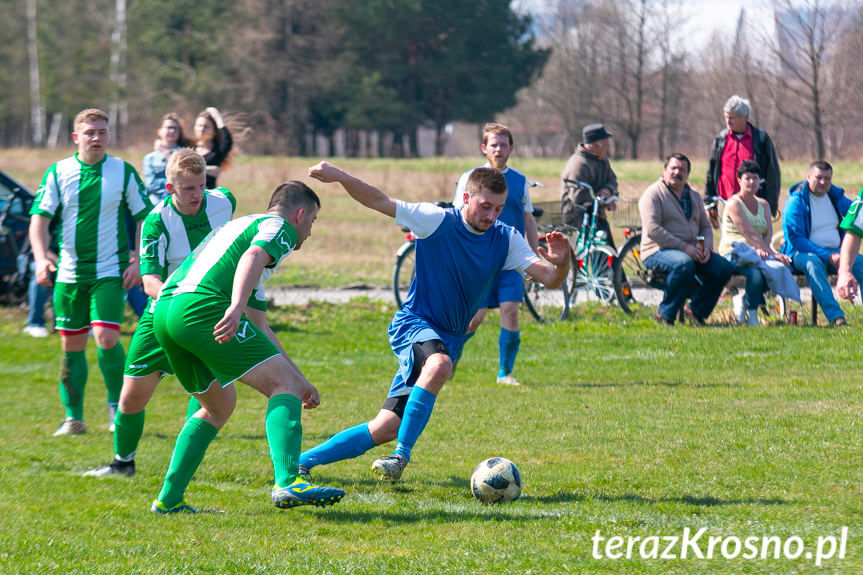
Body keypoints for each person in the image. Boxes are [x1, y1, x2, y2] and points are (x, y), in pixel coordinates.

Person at [299, 162, 570, 483]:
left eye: (498, 208)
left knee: (386, 426)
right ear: (466, 197)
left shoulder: (506, 239)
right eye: (485, 206)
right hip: (414, 323)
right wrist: (340, 176)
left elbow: (551, 280)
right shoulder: (436, 220)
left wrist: (563, 261)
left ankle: (300, 462)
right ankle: (401, 457)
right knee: (439, 365)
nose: (492, 215)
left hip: (450, 337)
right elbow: (379, 201)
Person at [148, 180, 344, 514]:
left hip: (165, 312)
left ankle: (168, 500)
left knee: (218, 405)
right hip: (200, 308)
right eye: (311, 222)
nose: (309, 232)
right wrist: (235, 307)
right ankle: (287, 482)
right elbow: (254, 256)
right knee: (283, 387)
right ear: (299, 215)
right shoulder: (278, 228)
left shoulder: (237, 229)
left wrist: (300, 379)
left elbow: (261, 325)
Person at [84, 149, 236, 478]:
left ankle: (187, 460)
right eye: (188, 189)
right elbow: (150, 281)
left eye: (201, 186)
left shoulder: (223, 201)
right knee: (130, 400)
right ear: (170, 188)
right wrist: (183, 297)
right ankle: (123, 463)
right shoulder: (156, 221)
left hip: (207, 315)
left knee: (213, 395)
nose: (197, 195)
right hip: (162, 314)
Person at [29, 108, 152, 436]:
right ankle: (73, 418)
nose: (97, 137)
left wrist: (140, 259)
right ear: (76, 137)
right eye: (90, 132)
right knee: (71, 346)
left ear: (109, 135)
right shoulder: (58, 172)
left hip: (109, 271)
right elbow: (39, 219)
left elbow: (145, 218)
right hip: (68, 274)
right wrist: (41, 258)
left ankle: (117, 410)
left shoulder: (123, 172)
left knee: (106, 336)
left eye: (102, 131)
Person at [451, 122, 538, 386]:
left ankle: (505, 373)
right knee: (474, 319)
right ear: (484, 148)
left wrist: (532, 258)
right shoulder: (470, 178)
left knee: (510, 311)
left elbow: (528, 219)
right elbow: (457, 218)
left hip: (510, 259)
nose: (499, 150)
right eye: (493, 145)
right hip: (479, 260)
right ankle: (447, 358)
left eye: (503, 144)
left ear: (511, 148)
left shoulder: (520, 181)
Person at [639, 153, 733, 325]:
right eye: (673, 168)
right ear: (664, 171)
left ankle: (696, 310)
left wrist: (706, 248)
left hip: (691, 251)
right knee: (683, 264)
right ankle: (665, 314)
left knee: (724, 267)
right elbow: (653, 230)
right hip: (657, 250)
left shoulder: (694, 196)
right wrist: (685, 248)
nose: (677, 172)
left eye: (682, 169)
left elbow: (705, 226)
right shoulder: (653, 195)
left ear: (687, 174)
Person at [781, 161, 863, 326]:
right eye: (819, 178)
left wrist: (840, 255)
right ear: (808, 177)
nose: (823, 182)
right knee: (813, 263)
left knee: (861, 263)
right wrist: (827, 255)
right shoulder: (795, 202)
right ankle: (836, 317)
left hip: (835, 252)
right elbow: (796, 239)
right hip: (801, 254)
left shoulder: (837, 198)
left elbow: (855, 220)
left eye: (827, 178)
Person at [717, 160, 792, 325]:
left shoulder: (763, 204)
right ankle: (752, 313)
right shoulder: (734, 203)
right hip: (734, 252)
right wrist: (771, 254)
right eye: (747, 178)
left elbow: (767, 233)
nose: (751, 182)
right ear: (739, 181)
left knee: (779, 269)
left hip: (758, 250)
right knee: (756, 273)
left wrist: (767, 252)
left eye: (755, 178)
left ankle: (745, 301)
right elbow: (749, 233)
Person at [705, 95, 781, 223]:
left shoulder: (761, 139)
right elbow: (711, 173)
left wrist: (771, 205)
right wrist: (709, 203)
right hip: (726, 203)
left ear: (744, 117)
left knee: (754, 240)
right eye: (726, 117)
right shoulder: (721, 139)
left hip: (754, 205)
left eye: (731, 118)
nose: (728, 121)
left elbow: (772, 173)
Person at [560, 123, 618, 249]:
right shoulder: (578, 165)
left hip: (596, 214)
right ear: (596, 145)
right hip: (578, 217)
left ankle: (611, 268)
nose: (608, 148)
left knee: (610, 254)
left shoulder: (601, 158)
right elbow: (579, 198)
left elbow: (612, 179)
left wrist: (607, 191)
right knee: (602, 254)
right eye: (606, 144)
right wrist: (604, 202)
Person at [142, 113, 192, 204]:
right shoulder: (150, 158)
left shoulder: (185, 155)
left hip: (179, 199)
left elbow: (188, 180)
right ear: (159, 131)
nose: (172, 131)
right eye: (168, 127)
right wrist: (173, 183)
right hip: (155, 200)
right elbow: (150, 185)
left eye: (175, 128)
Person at [194, 107, 233, 189]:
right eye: (199, 126)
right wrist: (209, 170)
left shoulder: (216, 152)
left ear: (214, 130)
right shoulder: (188, 147)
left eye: (206, 127)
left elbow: (227, 141)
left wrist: (218, 118)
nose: (201, 129)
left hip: (208, 195)